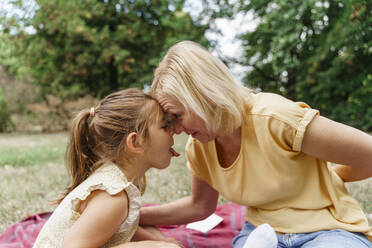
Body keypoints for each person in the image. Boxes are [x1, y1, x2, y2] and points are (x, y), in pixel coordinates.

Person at [139, 40, 372, 247]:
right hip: (263, 234)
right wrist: (134, 215)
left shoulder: (275, 117)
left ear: (202, 96)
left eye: (177, 116)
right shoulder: (199, 146)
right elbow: (199, 206)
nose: (177, 130)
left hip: (327, 230)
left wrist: (334, 177)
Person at [33, 88, 183, 248]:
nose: (173, 130)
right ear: (135, 142)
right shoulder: (113, 196)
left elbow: (123, 226)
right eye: (164, 126)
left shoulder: (119, 182)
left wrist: (160, 241)